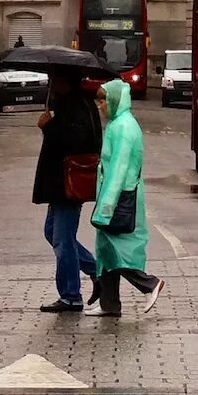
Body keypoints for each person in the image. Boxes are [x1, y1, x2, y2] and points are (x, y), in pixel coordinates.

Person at [89, 77, 162, 316]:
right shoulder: (118, 123)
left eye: (102, 102)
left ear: (113, 100)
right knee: (106, 250)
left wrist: (106, 205)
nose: (99, 107)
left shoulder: (122, 127)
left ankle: (149, 284)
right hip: (116, 196)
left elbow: (119, 169)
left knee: (120, 249)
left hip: (120, 198)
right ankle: (109, 304)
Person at [32, 72, 101, 312]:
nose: (52, 83)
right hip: (59, 184)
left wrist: (48, 126)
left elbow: (76, 141)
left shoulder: (78, 106)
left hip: (68, 184)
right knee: (53, 233)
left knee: (62, 239)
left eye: (56, 79)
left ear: (66, 81)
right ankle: (95, 270)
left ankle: (71, 295)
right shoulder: (68, 104)